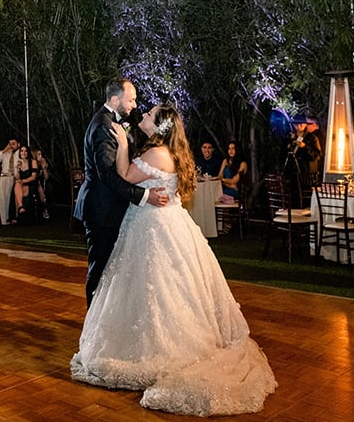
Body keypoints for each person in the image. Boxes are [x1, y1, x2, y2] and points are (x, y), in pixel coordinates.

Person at [71, 105, 277, 416]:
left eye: (150, 115)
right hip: (167, 223)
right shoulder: (167, 150)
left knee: (155, 287)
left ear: (160, 127)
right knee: (167, 288)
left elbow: (125, 174)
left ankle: (157, 347)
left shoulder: (156, 154)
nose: (145, 114)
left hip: (152, 227)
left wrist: (124, 146)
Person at [73, 77, 169, 308]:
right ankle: (93, 327)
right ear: (115, 99)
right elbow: (108, 176)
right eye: (131, 100)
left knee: (110, 269)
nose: (135, 105)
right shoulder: (104, 126)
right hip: (101, 210)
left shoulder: (110, 123)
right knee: (99, 270)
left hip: (111, 209)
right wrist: (145, 196)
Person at [10, 146, 38, 224]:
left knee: (18, 185)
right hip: (21, 183)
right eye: (21, 151)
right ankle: (20, 207)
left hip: (30, 183)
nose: (23, 153)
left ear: (28, 152)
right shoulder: (19, 162)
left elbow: (33, 177)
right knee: (17, 185)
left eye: (25, 151)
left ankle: (19, 211)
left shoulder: (33, 162)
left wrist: (23, 181)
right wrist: (17, 169)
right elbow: (18, 177)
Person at [32, 149, 50, 219]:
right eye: (39, 154)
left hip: (42, 183)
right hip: (35, 183)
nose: (41, 156)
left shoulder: (43, 164)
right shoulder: (33, 164)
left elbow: (46, 177)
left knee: (43, 187)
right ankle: (44, 208)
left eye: (41, 154)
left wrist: (44, 168)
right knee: (39, 187)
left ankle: (44, 208)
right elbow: (34, 177)